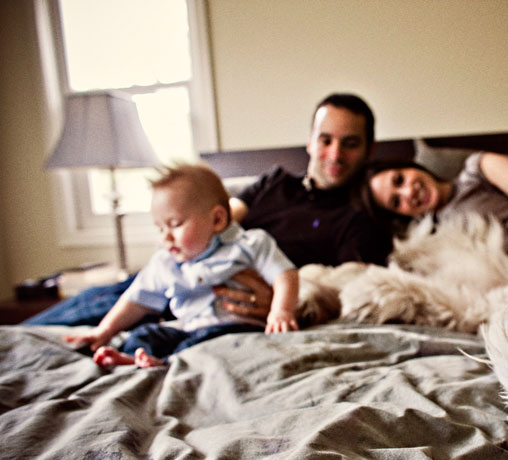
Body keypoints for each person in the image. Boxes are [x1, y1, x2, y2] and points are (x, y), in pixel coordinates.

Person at [25, 93, 391, 327]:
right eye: (326, 140)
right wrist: (180, 243)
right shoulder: (274, 182)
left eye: (350, 143)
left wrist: (287, 303)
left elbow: (344, 289)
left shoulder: (361, 218)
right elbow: (222, 215)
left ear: (370, 149)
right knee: (88, 306)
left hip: (235, 308)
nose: (334, 154)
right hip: (183, 279)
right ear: (310, 141)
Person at [63, 164, 299, 368]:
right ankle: (134, 358)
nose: (165, 237)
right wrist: (104, 331)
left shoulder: (250, 244)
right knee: (145, 334)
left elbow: (284, 274)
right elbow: (136, 299)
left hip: (234, 328)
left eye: (175, 224)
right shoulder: (165, 262)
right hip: (188, 327)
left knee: (205, 346)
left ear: (217, 219)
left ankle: (168, 363)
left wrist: (281, 310)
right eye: (160, 228)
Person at [361, 152, 508, 258]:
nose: (408, 193)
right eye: (396, 201)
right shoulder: (427, 243)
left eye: (400, 179)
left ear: (410, 166)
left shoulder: (478, 170)